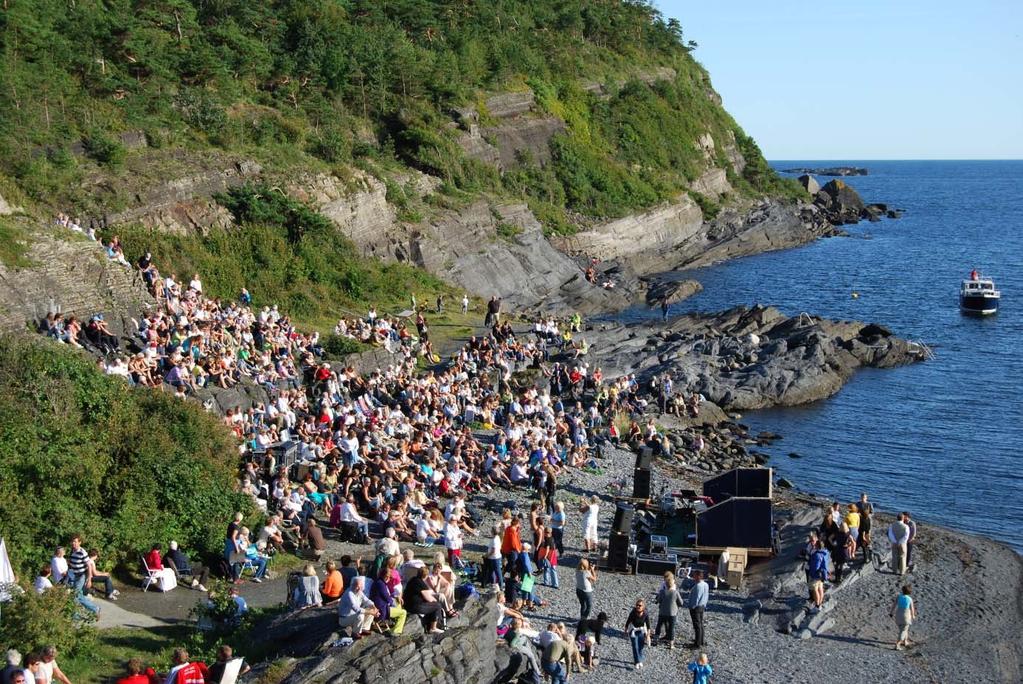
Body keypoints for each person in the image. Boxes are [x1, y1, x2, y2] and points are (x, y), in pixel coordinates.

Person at [403, 566, 444, 634]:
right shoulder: (421, 583)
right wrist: (435, 601)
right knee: (437, 606)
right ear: (426, 575)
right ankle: (433, 628)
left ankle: (429, 625)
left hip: (407, 605)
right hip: (415, 606)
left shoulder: (413, 579)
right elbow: (428, 598)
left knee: (432, 606)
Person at [369, 566, 408, 636]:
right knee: (403, 613)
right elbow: (387, 597)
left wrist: (396, 598)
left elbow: (388, 595)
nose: (390, 579)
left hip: (381, 606)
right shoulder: (381, 584)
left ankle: (396, 624)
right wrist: (394, 603)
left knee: (398, 603)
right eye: (390, 577)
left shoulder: (379, 582)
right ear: (386, 577)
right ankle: (396, 631)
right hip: (382, 609)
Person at [655, 570, 684, 648]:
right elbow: (681, 603)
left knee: (659, 626)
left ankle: (655, 640)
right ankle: (671, 644)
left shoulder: (662, 592)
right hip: (672, 613)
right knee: (671, 628)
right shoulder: (676, 592)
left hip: (662, 612)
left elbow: (658, 600)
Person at [624, 598, 651, 669]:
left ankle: (640, 659)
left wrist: (648, 635)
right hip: (633, 631)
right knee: (635, 647)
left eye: (640, 605)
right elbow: (628, 621)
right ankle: (637, 661)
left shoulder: (645, 614)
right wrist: (626, 630)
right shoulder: (633, 613)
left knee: (641, 647)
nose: (638, 606)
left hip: (641, 631)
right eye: (637, 605)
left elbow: (648, 626)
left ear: (643, 607)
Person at [890, 583, 917, 650]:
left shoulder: (899, 597)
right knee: (903, 630)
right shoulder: (909, 599)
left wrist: (891, 612)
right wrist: (913, 615)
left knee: (904, 629)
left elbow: (894, 605)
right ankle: (897, 644)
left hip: (898, 614)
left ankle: (905, 641)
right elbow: (912, 608)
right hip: (906, 615)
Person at [686, 569, 709, 648]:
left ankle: (697, 644)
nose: (693, 577)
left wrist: (691, 607)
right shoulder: (706, 584)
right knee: (701, 624)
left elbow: (696, 598)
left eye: (695, 575)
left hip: (696, 608)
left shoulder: (698, 586)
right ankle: (701, 640)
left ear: (699, 576)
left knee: (697, 626)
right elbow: (706, 596)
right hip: (702, 606)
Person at [807, 540, 830, 611]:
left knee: (815, 590)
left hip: (816, 575)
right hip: (822, 574)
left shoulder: (817, 555)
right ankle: (820, 603)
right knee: (820, 588)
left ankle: (817, 606)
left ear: (817, 546)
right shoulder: (825, 552)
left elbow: (815, 567)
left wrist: (811, 574)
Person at [857, 492, 874, 563]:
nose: (863, 498)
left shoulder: (869, 504)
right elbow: (855, 511)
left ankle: (869, 549)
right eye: (862, 497)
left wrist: (866, 515)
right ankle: (862, 548)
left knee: (867, 536)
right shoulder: (858, 504)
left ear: (866, 498)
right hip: (860, 522)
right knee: (861, 536)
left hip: (867, 522)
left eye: (864, 497)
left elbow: (872, 513)